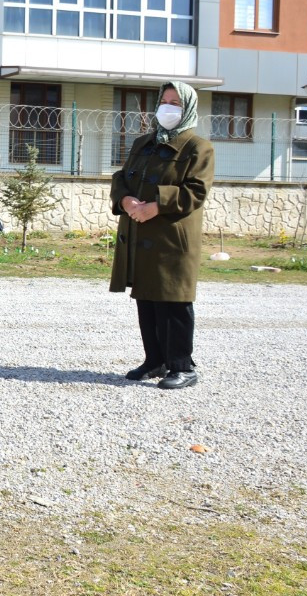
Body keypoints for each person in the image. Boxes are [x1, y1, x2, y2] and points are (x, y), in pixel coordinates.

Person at [109, 81, 215, 390]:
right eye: (164, 101)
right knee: (146, 298)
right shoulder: (144, 143)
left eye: (176, 103)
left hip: (171, 238)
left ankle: (183, 366)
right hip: (139, 231)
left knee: (173, 300)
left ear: (188, 109)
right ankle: (154, 360)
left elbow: (196, 191)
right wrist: (126, 201)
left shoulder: (198, 147)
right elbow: (121, 177)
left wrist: (156, 206)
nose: (168, 108)